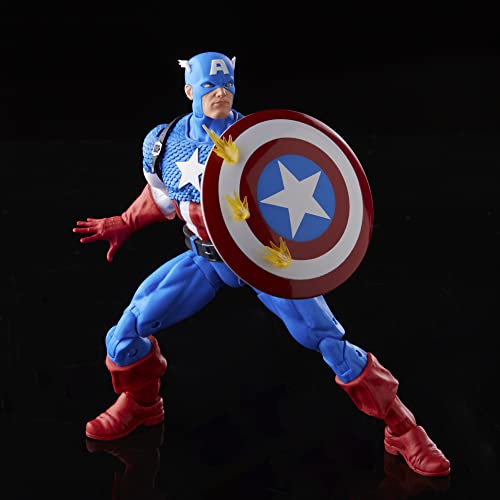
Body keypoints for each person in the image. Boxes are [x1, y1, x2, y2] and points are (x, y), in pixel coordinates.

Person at [73, 51, 450, 478]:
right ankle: (142, 405)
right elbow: (161, 197)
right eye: (209, 87)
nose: (220, 94)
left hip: (262, 261)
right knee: (126, 333)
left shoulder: (261, 138)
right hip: (204, 260)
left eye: (227, 86)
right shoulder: (165, 141)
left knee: (328, 340)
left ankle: (403, 428)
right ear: (189, 90)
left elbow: (306, 193)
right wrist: (125, 222)